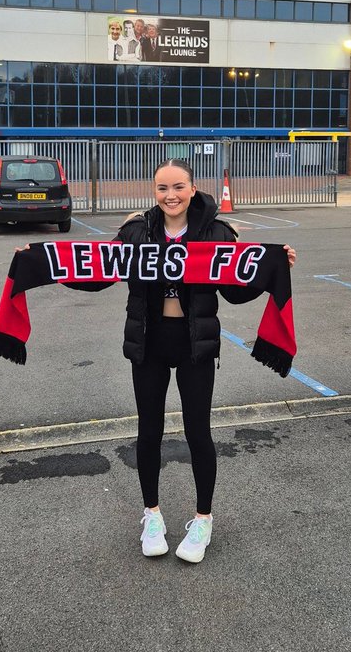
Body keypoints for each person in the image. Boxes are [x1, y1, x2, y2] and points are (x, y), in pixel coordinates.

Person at [67, 159, 296, 564]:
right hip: (149, 344)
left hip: (195, 345)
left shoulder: (216, 232)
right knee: (149, 430)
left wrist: (270, 271)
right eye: (161, 188)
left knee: (198, 432)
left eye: (178, 187)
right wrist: (44, 262)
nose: (170, 195)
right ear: (153, 192)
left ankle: (203, 519)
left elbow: (233, 292)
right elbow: (99, 273)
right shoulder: (137, 230)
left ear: (192, 188)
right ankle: (151, 515)